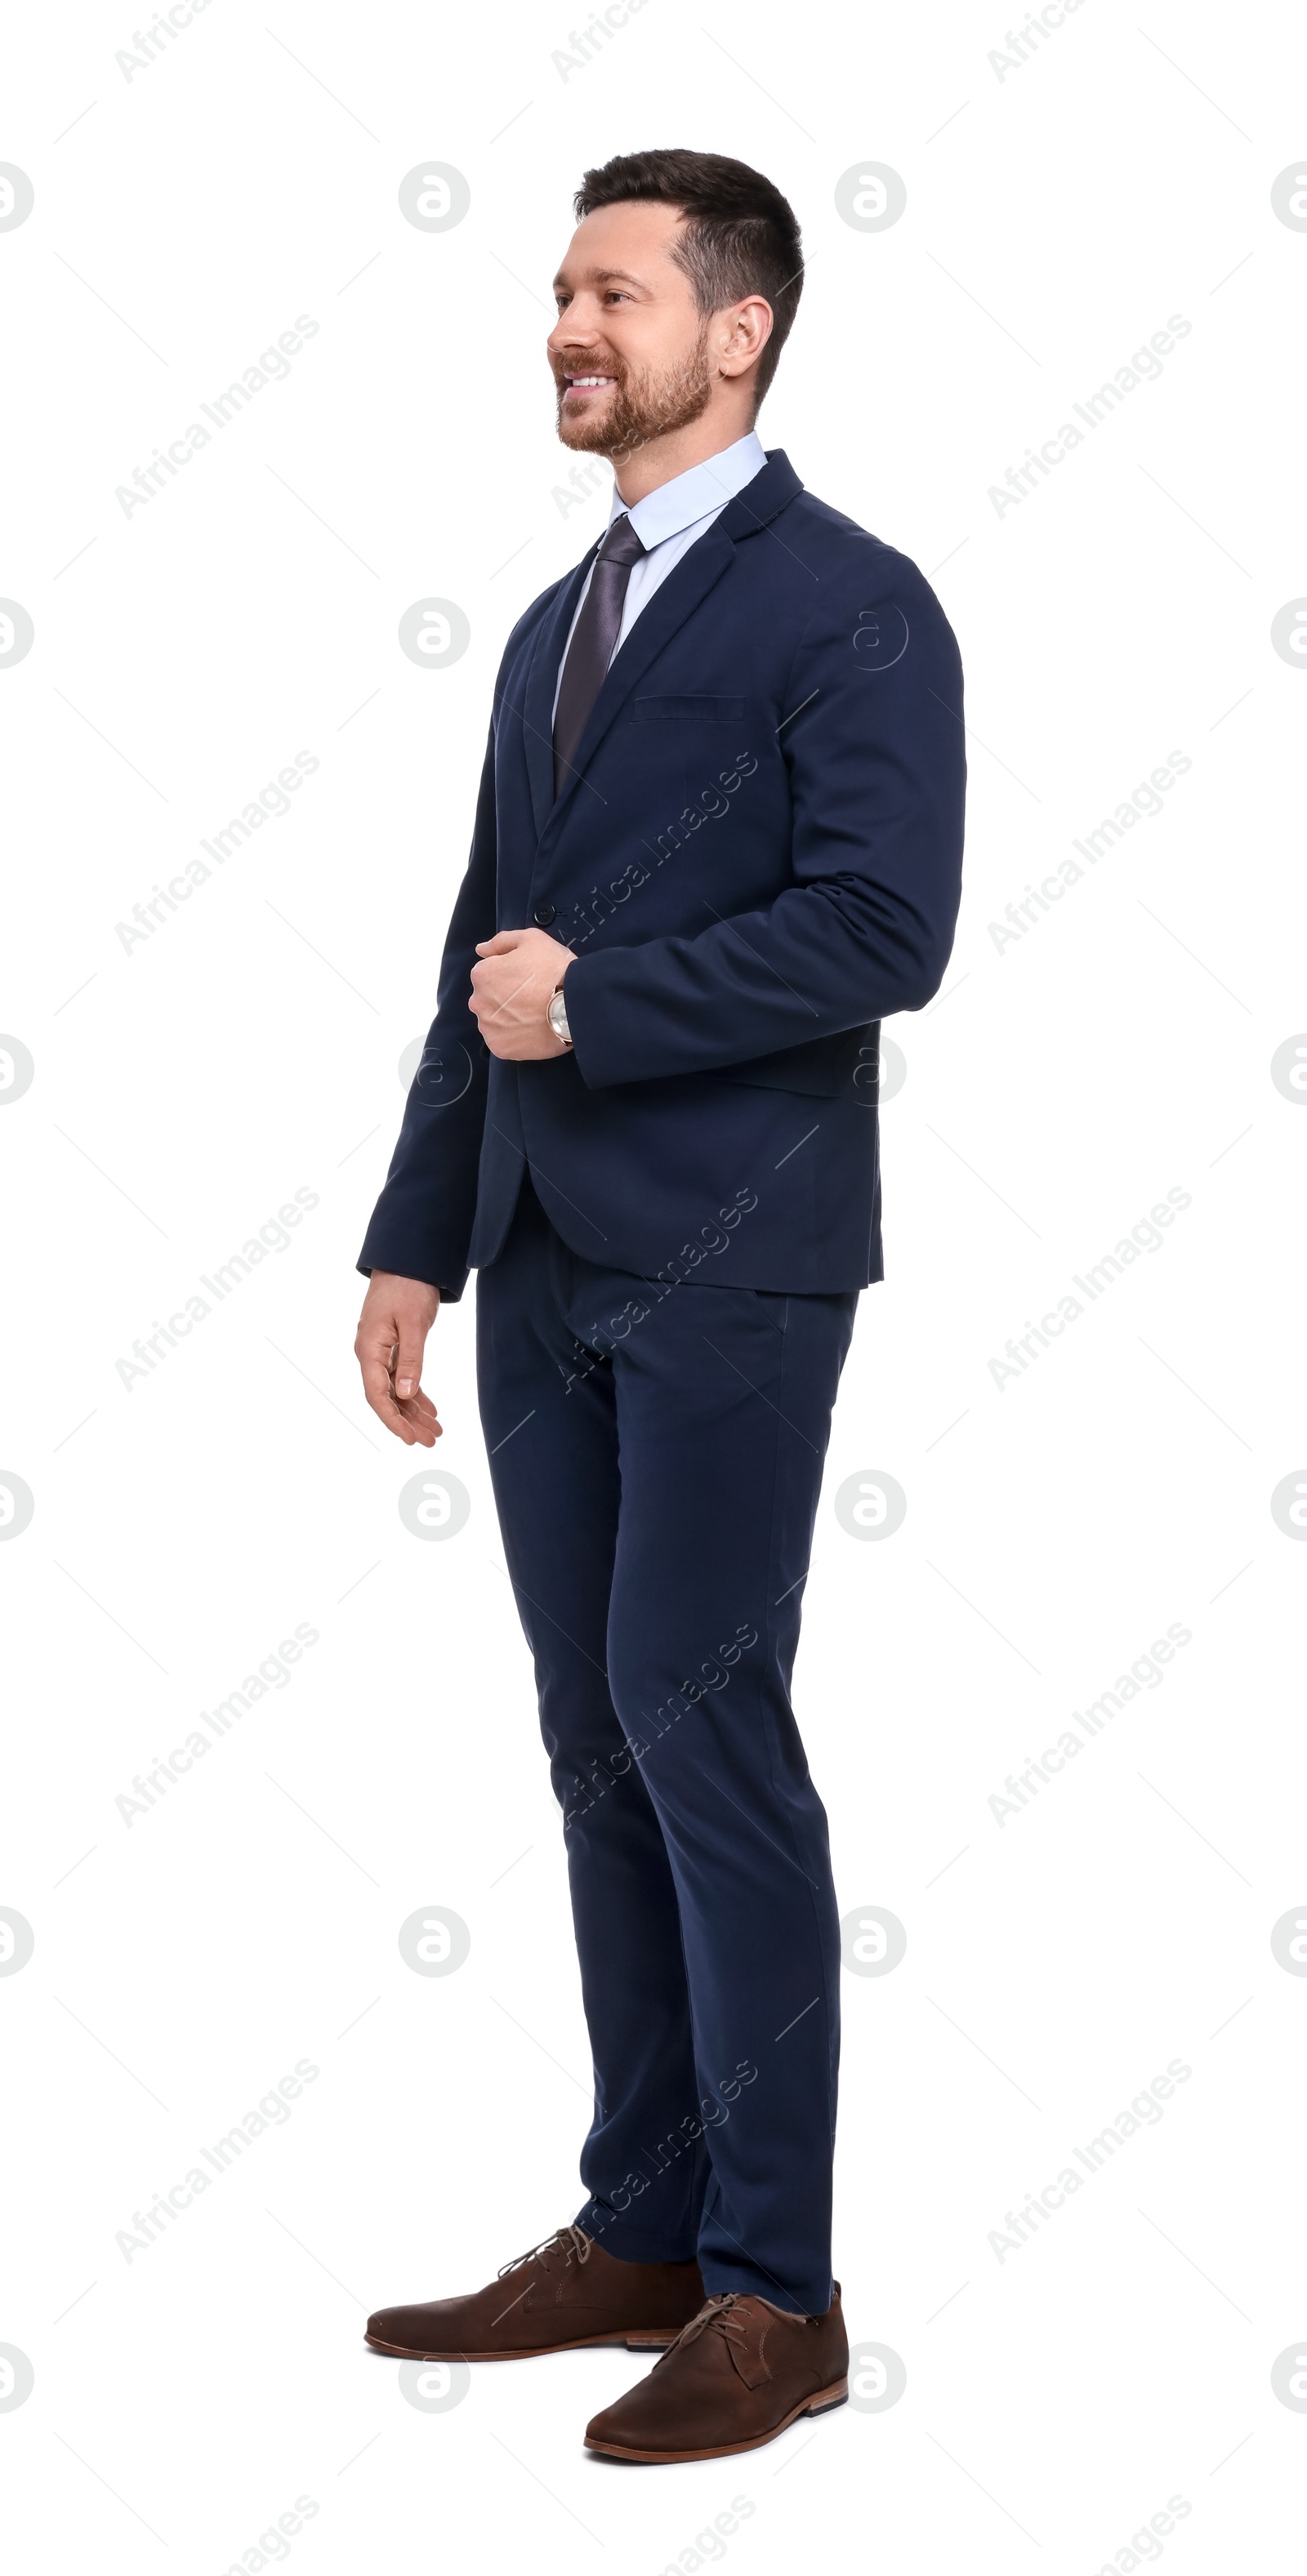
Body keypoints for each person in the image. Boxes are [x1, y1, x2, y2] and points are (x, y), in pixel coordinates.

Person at [353, 147, 966, 2465]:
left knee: (702, 1732)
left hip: (733, 1261)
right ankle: (642, 2216)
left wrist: (601, 1006)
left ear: (742, 329)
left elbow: (883, 926)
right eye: (556, 291)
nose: (564, 328)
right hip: (538, 1268)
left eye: (609, 294)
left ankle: (775, 2288)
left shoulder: (858, 606)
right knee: (595, 1735)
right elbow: (476, 948)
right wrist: (416, 1231)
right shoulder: (554, 624)